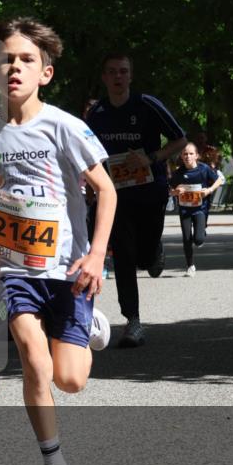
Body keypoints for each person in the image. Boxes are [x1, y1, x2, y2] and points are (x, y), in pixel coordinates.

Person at [0, 17, 116, 465]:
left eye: (27, 60)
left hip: (67, 269)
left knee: (69, 379)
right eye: (7, 58)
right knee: (33, 358)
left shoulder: (65, 127)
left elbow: (107, 191)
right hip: (14, 270)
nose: (15, 67)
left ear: (45, 73)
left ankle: (91, 323)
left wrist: (95, 255)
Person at [86, 53, 186, 347]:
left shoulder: (147, 104)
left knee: (143, 255)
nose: (118, 77)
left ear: (130, 76)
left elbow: (179, 139)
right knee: (125, 256)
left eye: (123, 72)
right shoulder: (97, 113)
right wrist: (93, 187)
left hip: (150, 190)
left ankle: (154, 250)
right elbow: (89, 153)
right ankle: (133, 322)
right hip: (115, 195)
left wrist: (151, 157)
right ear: (105, 77)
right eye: (112, 72)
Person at [169, 143, 224, 277]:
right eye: (185, 154)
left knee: (198, 239)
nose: (188, 156)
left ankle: (201, 232)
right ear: (181, 156)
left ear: (197, 156)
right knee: (187, 238)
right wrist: (176, 192)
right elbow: (170, 190)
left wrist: (209, 190)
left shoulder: (204, 169)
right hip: (185, 211)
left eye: (191, 154)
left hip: (200, 209)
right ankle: (190, 266)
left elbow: (219, 180)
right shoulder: (178, 173)